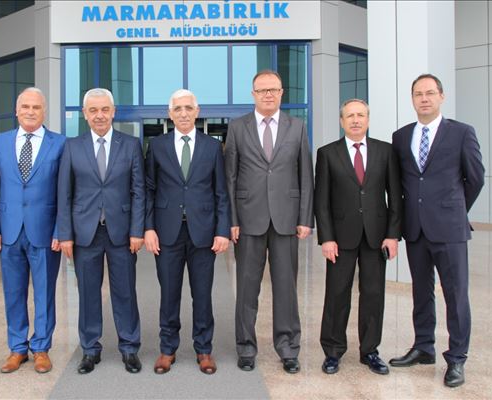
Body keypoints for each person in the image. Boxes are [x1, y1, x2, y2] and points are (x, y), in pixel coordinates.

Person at [389, 74, 484, 387]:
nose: (424, 99)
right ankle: (423, 347)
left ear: (441, 96)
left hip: (450, 229)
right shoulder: (401, 136)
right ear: (412, 99)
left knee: (455, 294)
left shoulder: (461, 133)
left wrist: (453, 208)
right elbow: (401, 182)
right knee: (421, 291)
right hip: (416, 229)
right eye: (418, 94)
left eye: (430, 93)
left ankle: (456, 358)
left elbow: (475, 178)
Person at [224, 70, 314, 374]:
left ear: (281, 93)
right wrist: (232, 219)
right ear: (253, 94)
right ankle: (246, 347)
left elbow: (305, 175)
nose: (268, 95)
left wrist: (305, 218)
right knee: (247, 289)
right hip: (248, 219)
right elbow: (230, 177)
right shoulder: (237, 128)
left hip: (286, 219)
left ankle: (288, 347)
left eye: (273, 89)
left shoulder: (297, 127)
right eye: (262, 90)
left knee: (286, 288)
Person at [57, 88, 145, 374]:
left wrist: (137, 230)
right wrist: (65, 234)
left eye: (105, 109)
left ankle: (129, 347)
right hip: (85, 233)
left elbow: (139, 191)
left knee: (125, 292)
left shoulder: (130, 145)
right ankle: (90, 349)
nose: (99, 115)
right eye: (93, 110)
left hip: (122, 233)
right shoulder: (72, 146)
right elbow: (64, 194)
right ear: (85, 114)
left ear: (113, 111)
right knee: (88, 293)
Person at [144, 89, 231, 375]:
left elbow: (221, 192)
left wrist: (222, 230)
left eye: (188, 108)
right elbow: (149, 190)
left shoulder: (212, 147)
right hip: (166, 233)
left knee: (202, 294)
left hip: (203, 233)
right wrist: (148, 228)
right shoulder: (157, 146)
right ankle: (167, 349)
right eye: (178, 108)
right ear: (170, 114)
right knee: (169, 294)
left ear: (197, 111)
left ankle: (203, 349)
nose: (183, 113)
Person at [314, 99, 402, 376]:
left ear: (368, 119)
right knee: (336, 294)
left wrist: (392, 235)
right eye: (350, 116)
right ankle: (332, 351)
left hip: (376, 236)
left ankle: (370, 351)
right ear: (342, 121)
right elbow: (321, 201)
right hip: (340, 238)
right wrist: (326, 238)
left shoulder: (385, 151)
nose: (355, 120)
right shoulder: (327, 153)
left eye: (360, 115)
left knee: (374, 294)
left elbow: (395, 196)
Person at [0, 88, 65, 374]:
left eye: (36, 107)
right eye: (25, 106)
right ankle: (17, 348)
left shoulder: (60, 143)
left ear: (44, 111)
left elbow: (64, 192)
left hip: (45, 231)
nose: (31, 111)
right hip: (9, 231)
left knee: (44, 292)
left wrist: (60, 229)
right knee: (13, 292)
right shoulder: (0, 141)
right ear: (16, 110)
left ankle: (41, 347)